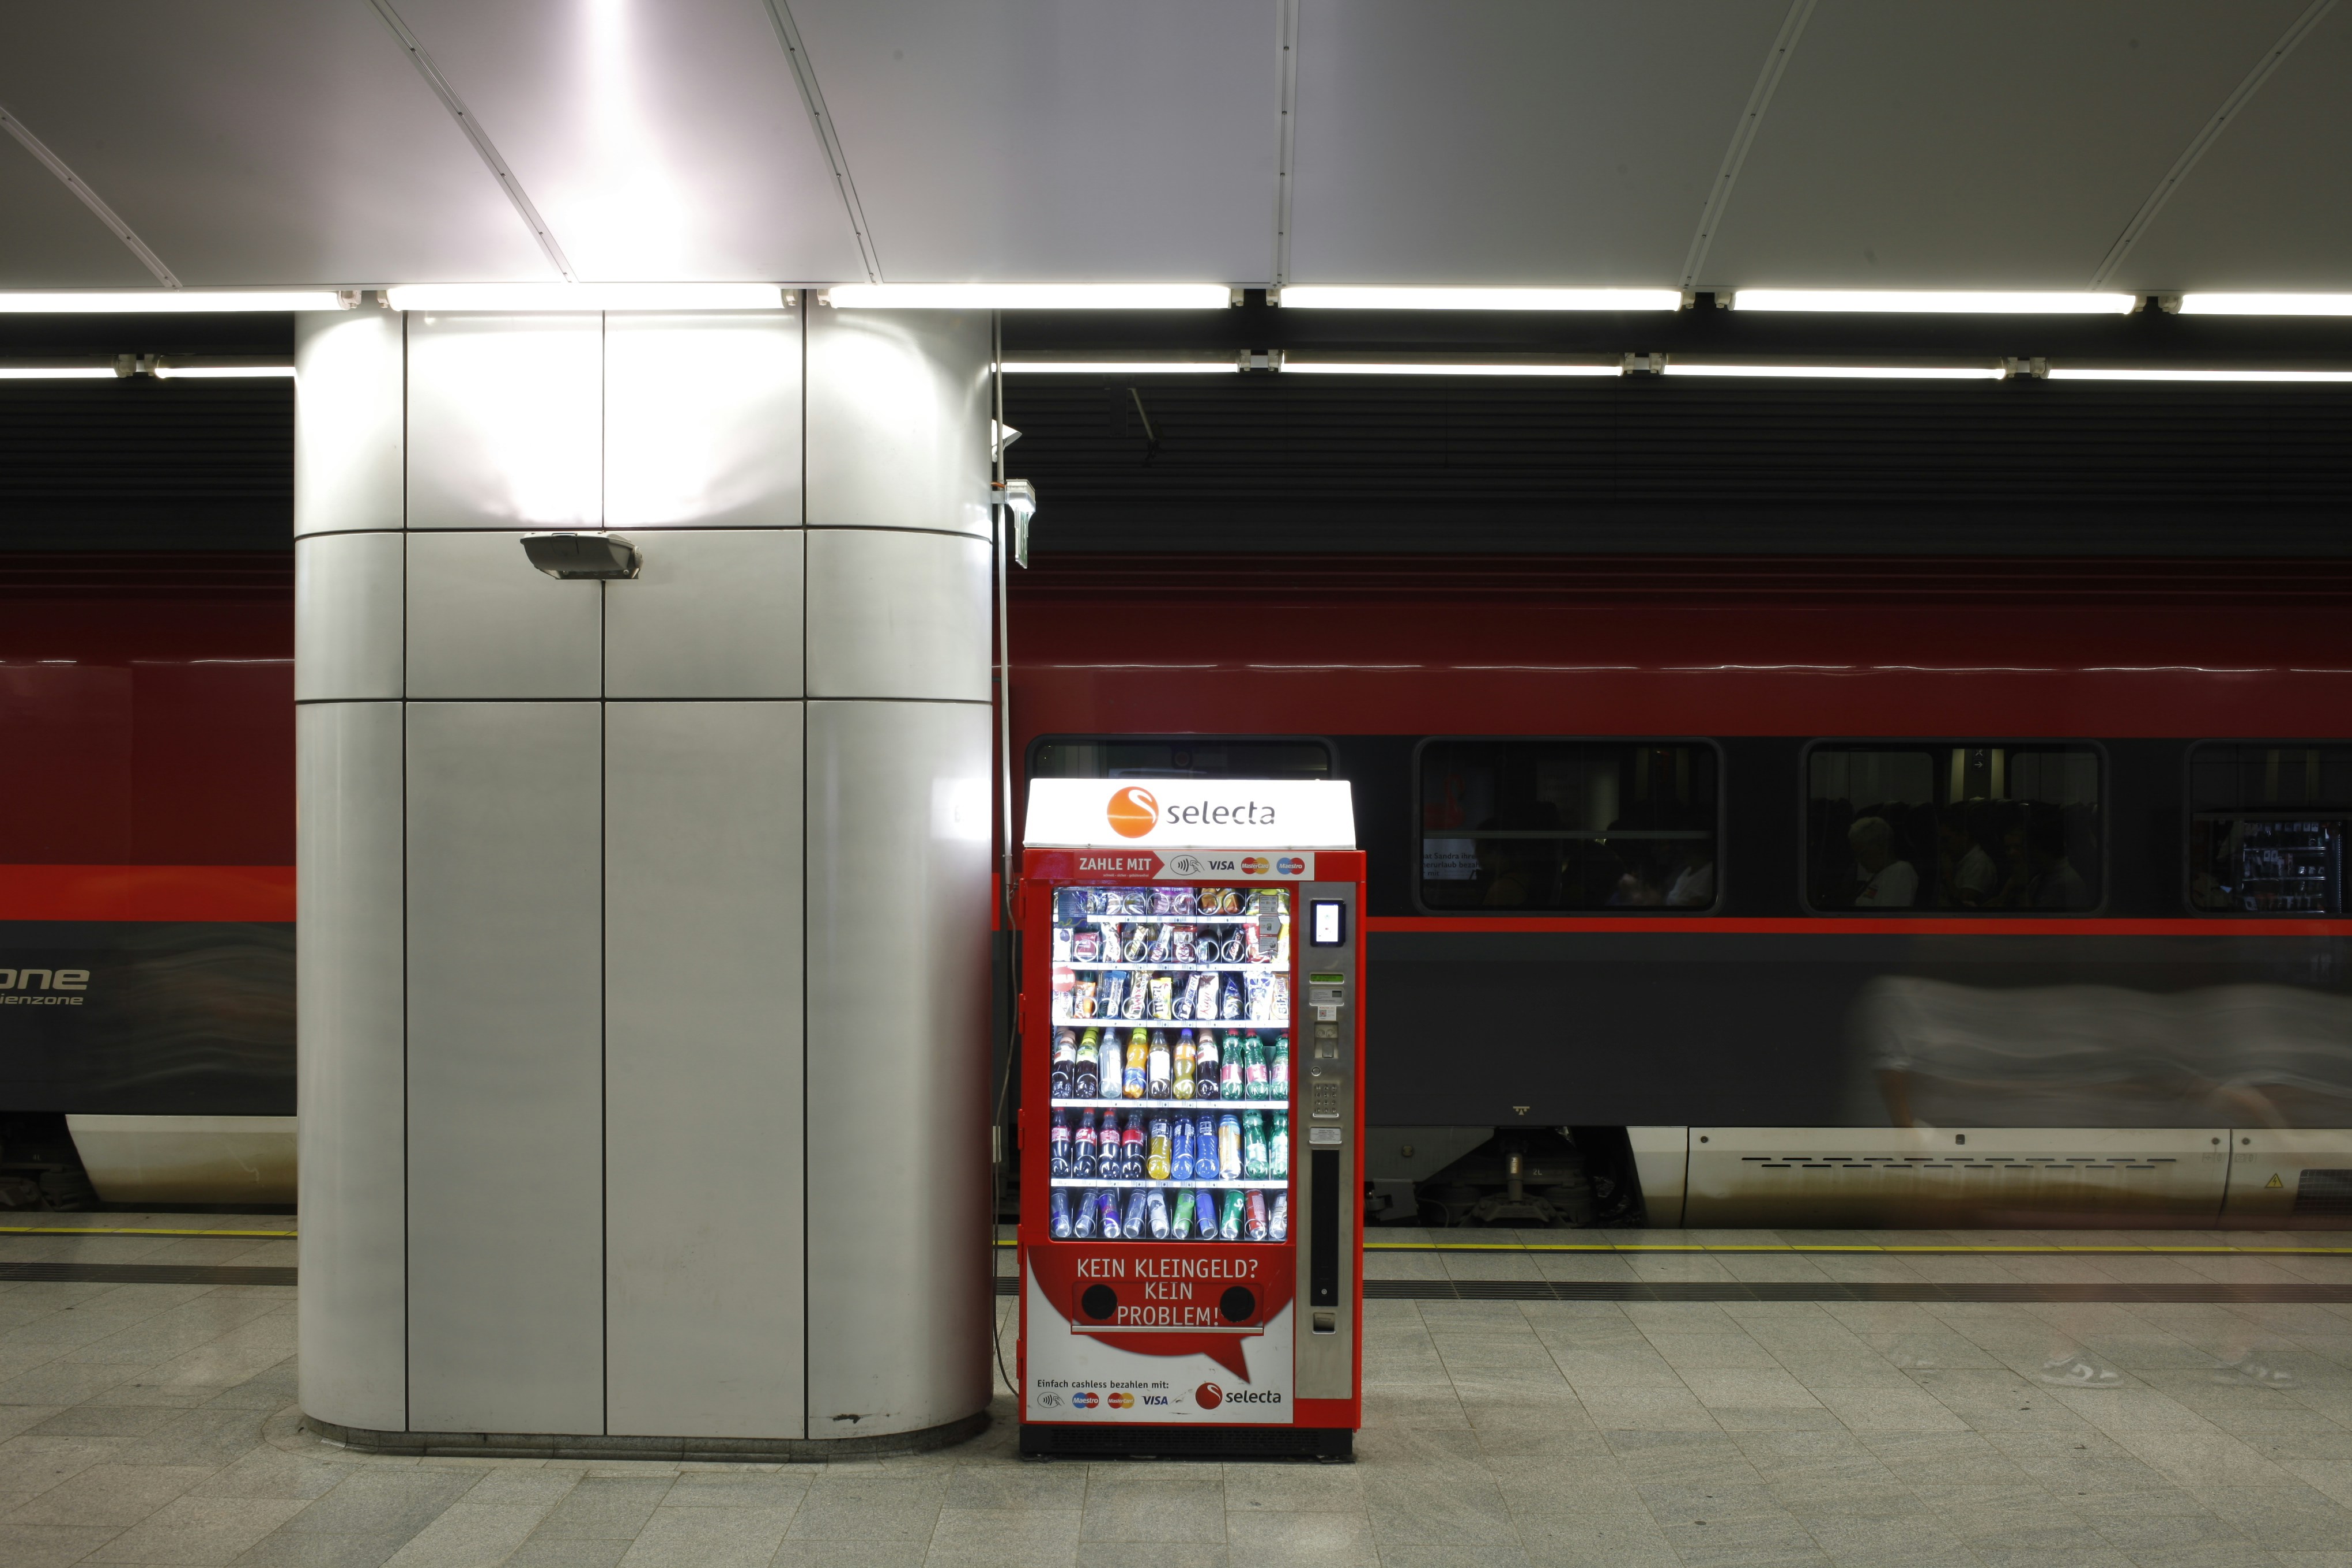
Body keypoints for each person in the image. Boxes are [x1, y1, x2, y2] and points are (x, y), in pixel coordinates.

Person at [1848, 816, 1917, 908]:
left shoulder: (1899, 872)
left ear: (1881, 847)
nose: (1859, 860)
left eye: (1862, 854)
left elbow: (1889, 918)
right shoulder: (1877, 875)